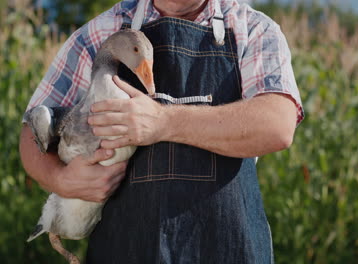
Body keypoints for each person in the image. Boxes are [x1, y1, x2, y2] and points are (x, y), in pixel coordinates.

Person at [20, 0, 303, 262]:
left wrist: (163, 122)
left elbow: (277, 125)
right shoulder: (96, 35)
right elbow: (31, 135)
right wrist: (61, 178)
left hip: (229, 251)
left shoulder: (253, 29)